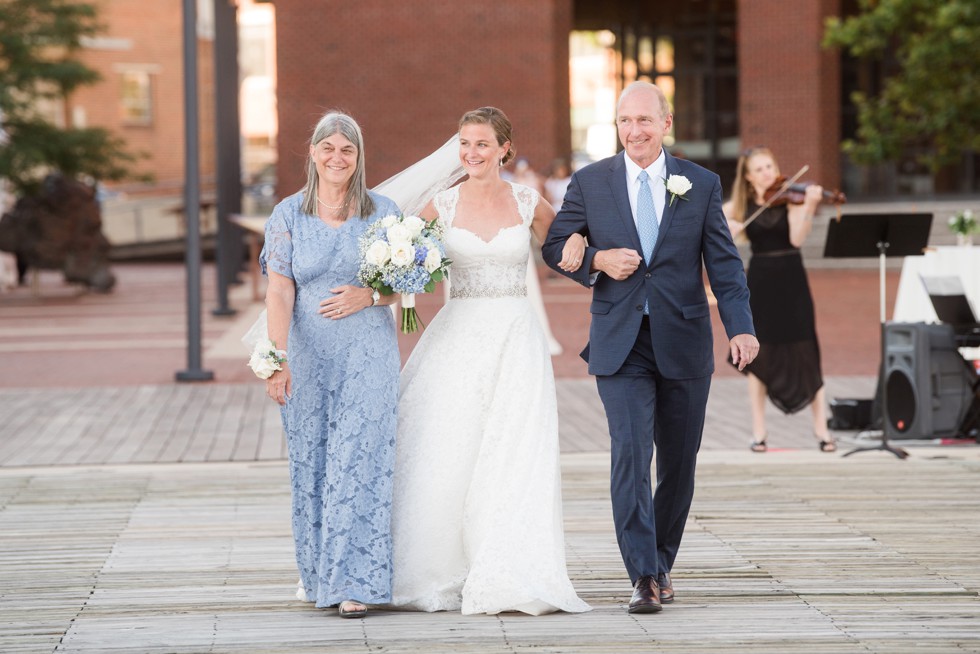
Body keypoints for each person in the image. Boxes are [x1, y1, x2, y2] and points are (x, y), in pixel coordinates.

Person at [542, 81, 758, 614]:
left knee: (679, 464)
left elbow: (725, 266)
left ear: (666, 124)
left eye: (643, 120)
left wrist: (741, 327)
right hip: (619, 342)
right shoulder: (591, 182)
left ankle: (661, 561)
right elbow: (554, 247)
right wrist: (596, 259)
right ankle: (641, 574)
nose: (633, 131)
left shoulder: (700, 183)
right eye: (623, 121)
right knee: (631, 454)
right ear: (615, 127)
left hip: (684, 339)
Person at [388, 106, 591, 616]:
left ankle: (508, 568)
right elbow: (399, 258)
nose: (471, 153)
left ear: (504, 148)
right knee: (448, 446)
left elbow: (566, 242)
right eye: (463, 144)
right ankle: (439, 568)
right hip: (457, 335)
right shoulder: (441, 204)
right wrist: (399, 282)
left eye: (481, 144)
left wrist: (582, 245)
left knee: (512, 449)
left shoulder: (528, 201)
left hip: (515, 337)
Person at [259, 111, 401, 619]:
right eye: (328, 148)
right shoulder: (288, 214)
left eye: (347, 149)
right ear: (313, 153)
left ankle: (358, 582)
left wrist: (371, 294)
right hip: (308, 355)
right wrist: (276, 360)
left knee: (360, 461)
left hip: (368, 354)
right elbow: (279, 289)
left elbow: (407, 286)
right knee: (313, 461)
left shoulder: (383, 211)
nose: (337, 157)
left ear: (359, 156)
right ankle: (322, 576)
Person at [722, 147, 835, 453]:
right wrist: (726, 231)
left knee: (806, 348)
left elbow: (797, 239)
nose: (767, 173)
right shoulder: (739, 206)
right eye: (759, 169)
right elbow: (710, 229)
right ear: (747, 177)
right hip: (760, 281)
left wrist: (810, 206)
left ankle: (822, 429)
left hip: (792, 279)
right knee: (760, 355)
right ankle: (759, 432)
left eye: (770, 166)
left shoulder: (790, 199)